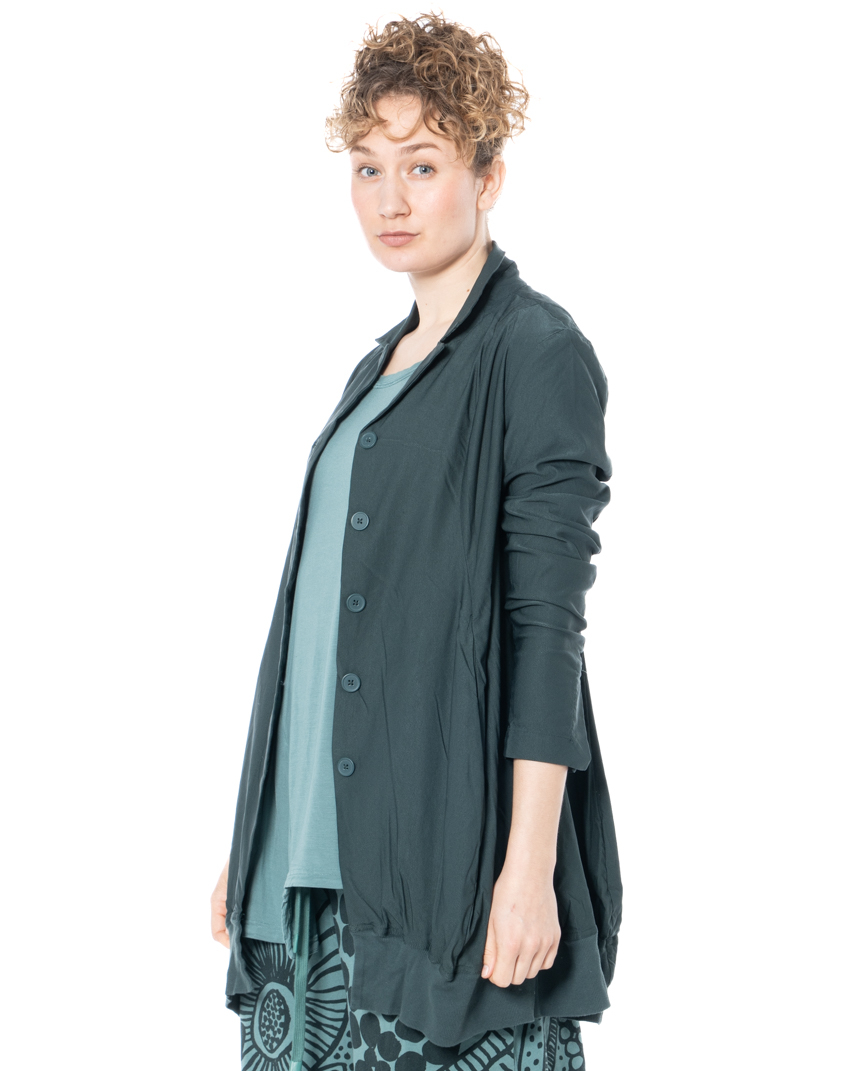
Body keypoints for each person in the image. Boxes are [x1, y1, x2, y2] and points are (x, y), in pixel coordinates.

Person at [210, 13, 622, 1071]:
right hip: (309, 884)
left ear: (488, 177)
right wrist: (254, 842)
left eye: (423, 164)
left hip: (443, 879)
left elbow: (544, 631)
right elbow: (319, 629)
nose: (389, 199)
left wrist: (526, 867)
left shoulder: (534, 352)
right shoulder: (377, 369)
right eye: (367, 167)